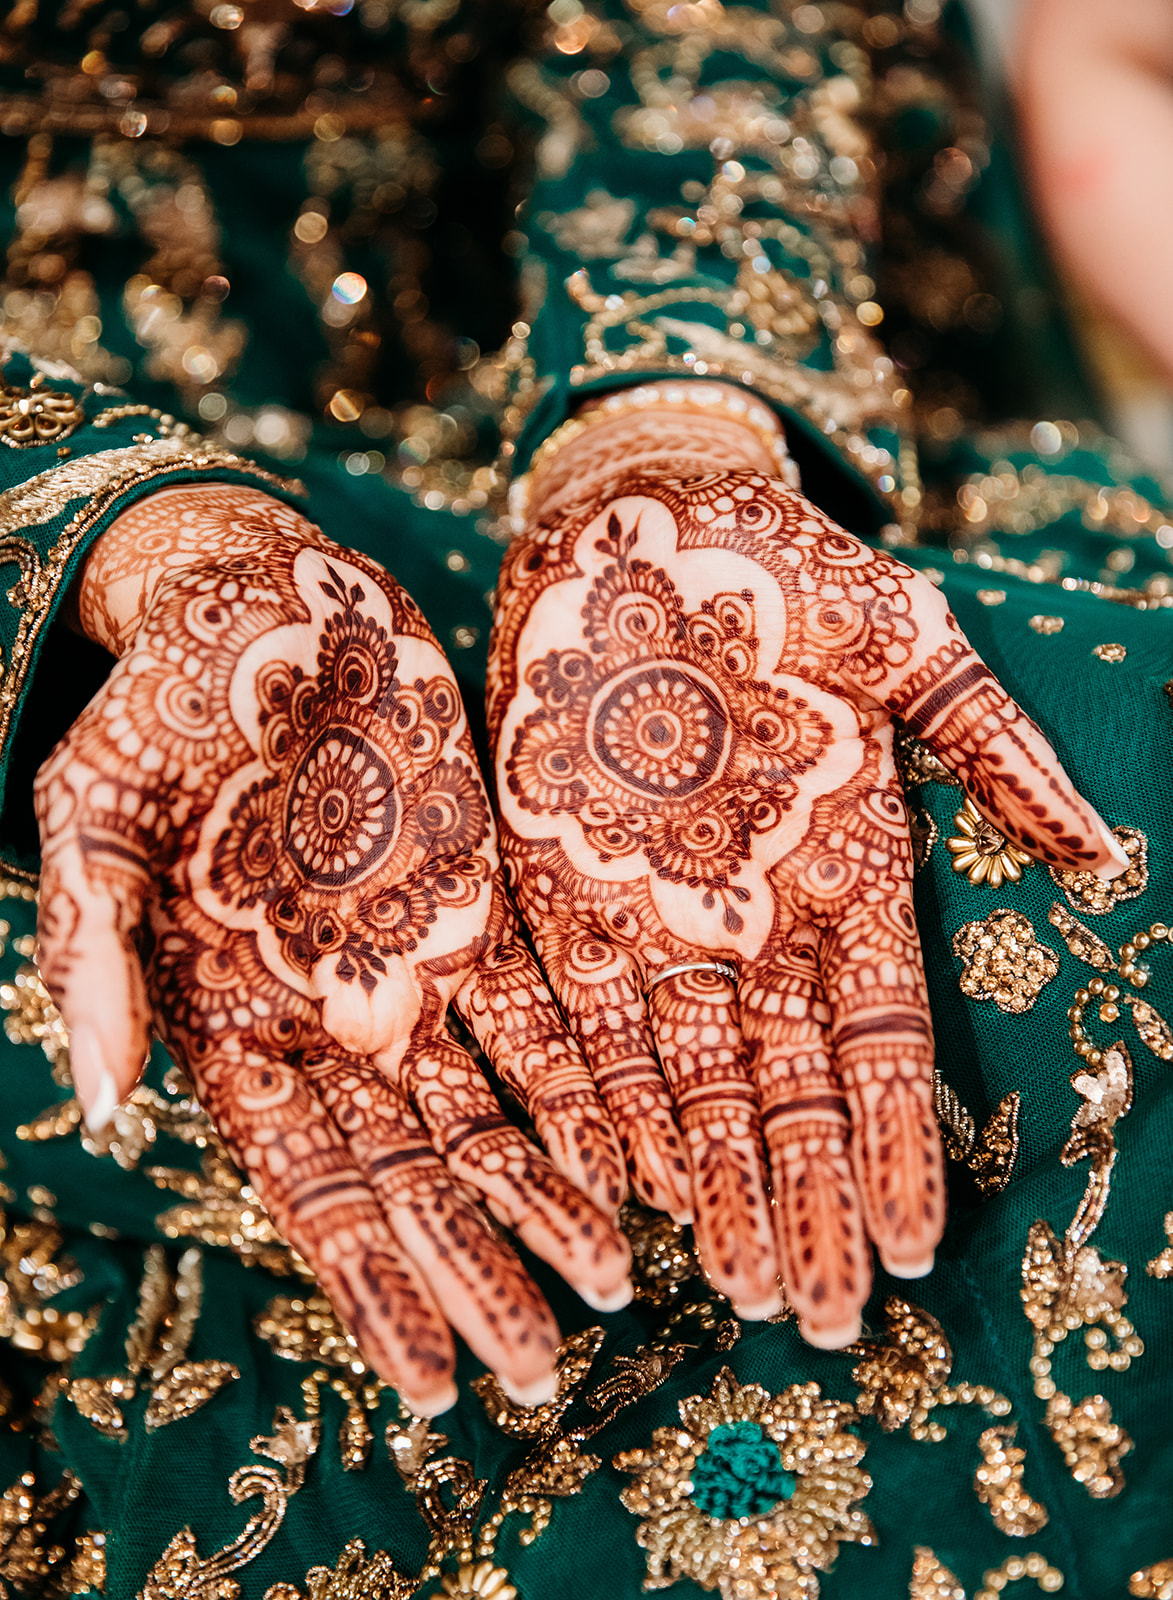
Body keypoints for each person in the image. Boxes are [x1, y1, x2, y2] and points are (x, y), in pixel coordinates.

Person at [0, 2, 1169, 1597]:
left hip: (633, 385)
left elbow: (701, 32)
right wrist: (130, 541)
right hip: (82, 609)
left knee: (1100, 810)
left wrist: (663, 432)